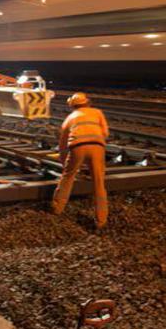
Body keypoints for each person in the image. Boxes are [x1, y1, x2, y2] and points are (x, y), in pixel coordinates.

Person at [51, 92, 109, 229]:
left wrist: (64, 161)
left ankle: (57, 209)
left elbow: (63, 144)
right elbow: (105, 133)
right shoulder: (97, 113)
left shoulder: (70, 118)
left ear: (72, 106)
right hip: (97, 147)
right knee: (99, 182)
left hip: (77, 148)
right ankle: (101, 220)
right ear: (87, 102)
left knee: (68, 177)